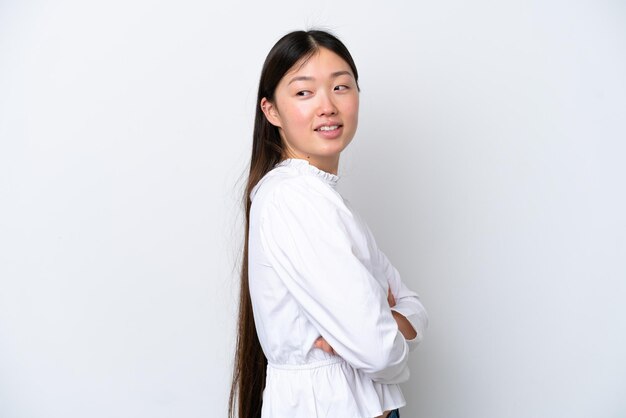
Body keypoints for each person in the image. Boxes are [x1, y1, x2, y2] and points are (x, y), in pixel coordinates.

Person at [229, 29, 428, 418]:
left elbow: (414, 309)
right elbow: (377, 349)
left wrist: (380, 325)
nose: (327, 106)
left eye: (341, 87)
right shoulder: (295, 199)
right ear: (271, 111)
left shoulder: (326, 201)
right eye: (304, 92)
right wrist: (383, 338)